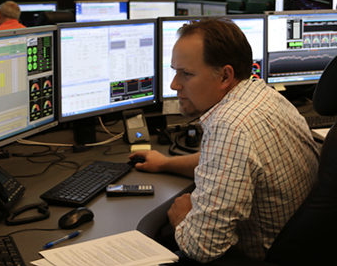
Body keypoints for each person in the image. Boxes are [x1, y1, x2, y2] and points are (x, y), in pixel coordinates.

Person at [130, 17, 319, 263]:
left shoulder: (230, 125)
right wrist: (165, 164)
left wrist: (182, 217)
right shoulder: (263, 94)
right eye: (175, 72)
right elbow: (225, 164)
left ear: (225, 76)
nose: (174, 84)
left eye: (186, 74)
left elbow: (202, 248)